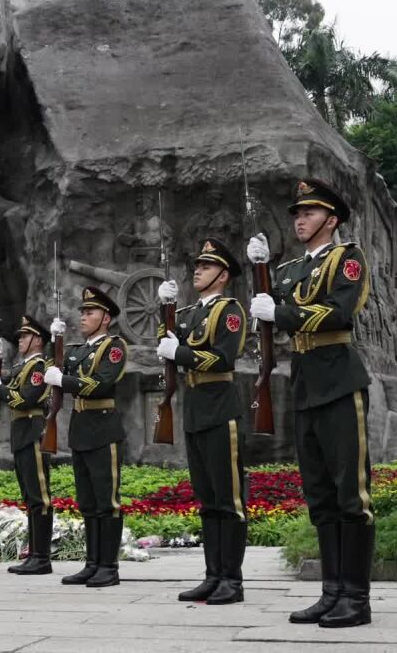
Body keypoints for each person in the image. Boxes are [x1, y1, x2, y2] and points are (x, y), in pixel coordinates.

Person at [247, 179, 375, 628]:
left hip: (339, 380)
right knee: (320, 495)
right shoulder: (288, 270)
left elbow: (339, 312)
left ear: (331, 219)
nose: (299, 220)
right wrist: (259, 272)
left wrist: (278, 312)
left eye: (309, 213)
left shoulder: (348, 259)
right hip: (304, 384)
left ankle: (356, 598)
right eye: (296, 215)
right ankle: (331, 592)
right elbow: (273, 308)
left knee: (350, 494)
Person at [156, 237, 249, 605]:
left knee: (228, 500)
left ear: (223, 274)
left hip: (220, 408)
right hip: (195, 410)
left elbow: (223, 359)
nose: (197, 270)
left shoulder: (230, 310)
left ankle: (232, 579)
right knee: (208, 500)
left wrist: (179, 351)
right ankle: (213, 575)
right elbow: (164, 340)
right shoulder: (190, 313)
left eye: (206, 266)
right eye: (197, 265)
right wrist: (164, 308)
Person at [43, 287, 128, 588]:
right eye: (82, 312)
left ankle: (109, 566)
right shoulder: (77, 350)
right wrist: (55, 343)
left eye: (89, 312)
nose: (83, 316)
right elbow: (54, 371)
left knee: (107, 502)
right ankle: (91, 563)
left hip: (103, 429)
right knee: (88, 502)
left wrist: (64, 380)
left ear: (105, 318)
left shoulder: (114, 347)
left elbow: (100, 384)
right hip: (80, 428)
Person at [0, 314, 54, 575]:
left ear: (37, 340)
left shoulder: (38, 367)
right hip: (21, 433)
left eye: (25, 336)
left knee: (40, 497)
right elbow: (7, 381)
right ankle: (35, 554)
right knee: (30, 497)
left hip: (33, 432)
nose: (20, 340)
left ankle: (42, 558)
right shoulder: (22, 367)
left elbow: (24, 399)